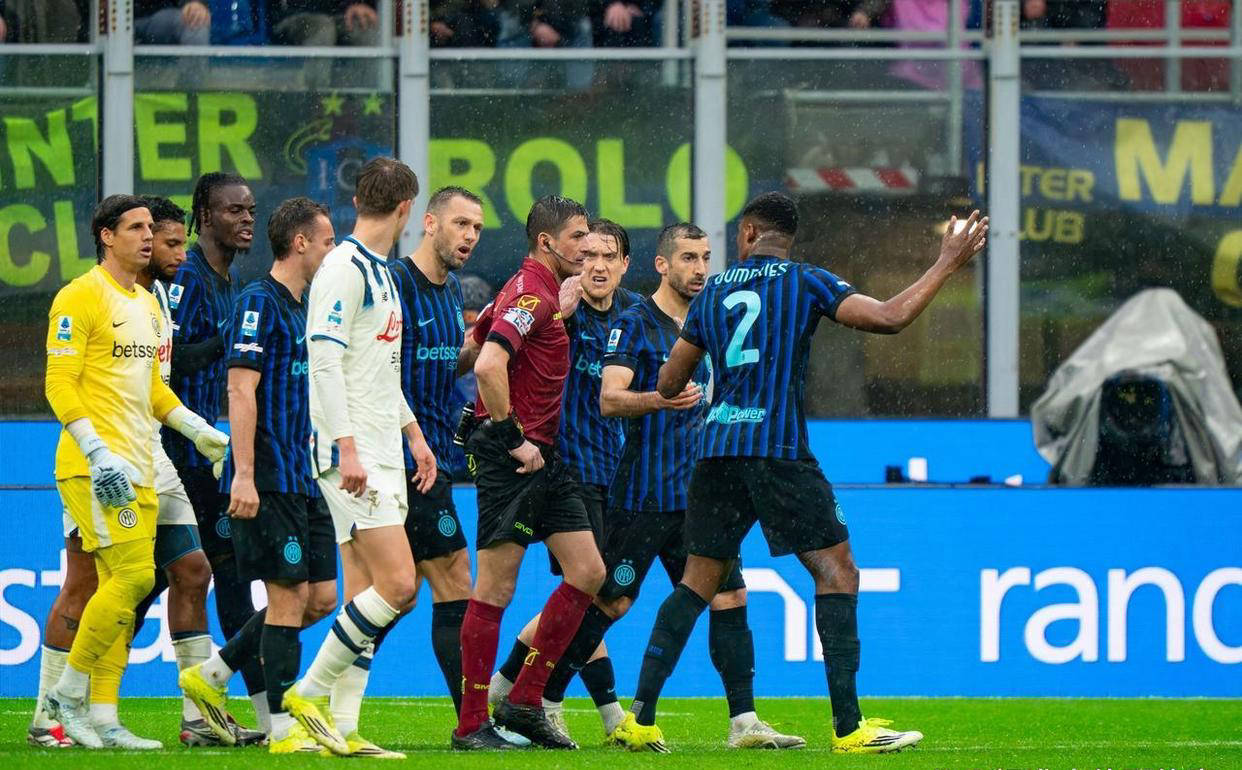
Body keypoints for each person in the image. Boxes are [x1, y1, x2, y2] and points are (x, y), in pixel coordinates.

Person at [610, 192, 988, 753]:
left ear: (748, 233)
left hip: (715, 453)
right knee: (838, 572)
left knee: (696, 583)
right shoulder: (807, 281)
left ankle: (639, 719)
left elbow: (668, 383)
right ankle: (849, 728)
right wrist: (946, 263)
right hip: (777, 450)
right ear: (788, 237)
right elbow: (890, 318)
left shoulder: (712, 292)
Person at [28, 197, 219, 751]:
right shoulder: (79, 296)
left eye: (149, 228)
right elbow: (58, 383)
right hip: (98, 466)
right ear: (106, 236)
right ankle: (62, 702)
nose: (148, 237)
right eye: (136, 228)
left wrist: (197, 429)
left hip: (144, 461)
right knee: (126, 580)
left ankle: (103, 717)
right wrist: (95, 450)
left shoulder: (148, 303)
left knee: (130, 584)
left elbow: (153, 388)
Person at [285, 157, 437, 758]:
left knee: (367, 593)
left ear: (358, 202)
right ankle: (307, 695)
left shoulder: (384, 274)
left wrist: (415, 435)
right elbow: (323, 362)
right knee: (400, 585)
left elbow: (378, 370)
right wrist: (346, 446)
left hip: (383, 447)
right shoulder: (343, 268)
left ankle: (343, 728)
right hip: (353, 453)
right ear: (406, 209)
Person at [178, 197, 342, 755]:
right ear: (300, 243)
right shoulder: (258, 302)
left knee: (320, 598)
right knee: (289, 597)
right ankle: (282, 730)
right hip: (268, 476)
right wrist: (243, 476)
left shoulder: (306, 305)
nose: (332, 252)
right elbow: (240, 390)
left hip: (306, 475)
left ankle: (214, 673)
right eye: (327, 241)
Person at [452, 195, 606, 751]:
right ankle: (471, 725)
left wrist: (547, 316)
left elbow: (472, 348)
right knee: (495, 588)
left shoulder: (528, 291)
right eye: (577, 237)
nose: (587, 247)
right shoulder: (532, 294)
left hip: (546, 457)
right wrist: (510, 435)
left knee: (588, 571)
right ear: (547, 242)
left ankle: (523, 702)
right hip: (514, 456)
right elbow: (487, 364)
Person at [487, 219, 641, 740]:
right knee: (592, 589)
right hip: (567, 470)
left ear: (624, 265)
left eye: (608, 256)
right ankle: (562, 703)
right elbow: (501, 357)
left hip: (617, 472)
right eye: (588, 254)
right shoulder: (557, 310)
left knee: (594, 593)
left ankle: (507, 684)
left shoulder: (634, 315)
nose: (597, 265)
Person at [356, 187, 485, 726]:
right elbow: (376, 370)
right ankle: (472, 723)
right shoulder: (396, 284)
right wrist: (412, 438)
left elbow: (443, 366)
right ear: (429, 223)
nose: (470, 236)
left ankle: (317, 690)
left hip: (432, 458)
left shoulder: (450, 290)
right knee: (452, 580)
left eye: (476, 228)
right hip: (401, 457)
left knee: (395, 596)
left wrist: (480, 345)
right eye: (460, 224)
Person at [165, 172, 270, 730]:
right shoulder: (186, 276)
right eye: (234, 210)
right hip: (173, 455)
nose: (247, 219)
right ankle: (74, 698)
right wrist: (227, 339)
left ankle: (256, 715)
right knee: (192, 579)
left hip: (208, 458)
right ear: (204, 216)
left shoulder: (232, 281)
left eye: (250, 210)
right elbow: (170, 360)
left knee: (225, 579)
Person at [135, 1, 211, 45]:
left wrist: (194, 3)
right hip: (132, 19)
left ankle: (193, 69)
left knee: (195, 21)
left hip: (155, 18)